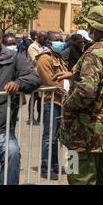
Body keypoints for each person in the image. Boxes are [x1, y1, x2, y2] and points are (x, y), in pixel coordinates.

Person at [53, 5, 103, 185]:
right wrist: (74, 74)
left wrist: (68, 104)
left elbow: (86, 90)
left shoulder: (94, 52)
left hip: (81, 131)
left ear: (94, 27)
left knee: (76, 176)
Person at [0, 28, 41, 185]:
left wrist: (18, 83)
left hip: (2, 130)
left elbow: (34, 77)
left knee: (13, 153)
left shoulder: (14, 57)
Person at [35, 32, 69, 179]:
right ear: (48, 42)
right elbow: (49, 81)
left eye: (61, 40)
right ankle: (45, 167)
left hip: (61, 101)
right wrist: (65, 92)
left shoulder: (59, 57)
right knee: (49, 136)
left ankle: (54, 165)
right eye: (56, 40)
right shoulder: (44, 58)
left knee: (56, 137)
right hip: (52, 101)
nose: (60, 42)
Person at [27, 31, 48, 125]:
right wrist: (45, 56)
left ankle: (40, 117)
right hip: (34, 74)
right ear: (38, 38)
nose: (46, 40)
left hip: (42, 75)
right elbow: (35, 60)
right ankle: (30, 118)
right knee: (34, 96)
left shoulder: (42, 47)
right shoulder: (32, 47)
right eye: (44, 38)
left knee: (40, 97)